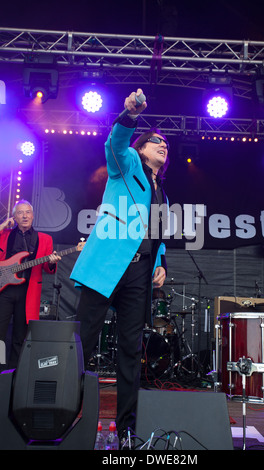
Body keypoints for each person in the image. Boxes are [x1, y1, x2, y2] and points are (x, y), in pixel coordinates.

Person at [70, 88, 169, 445]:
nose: (163, 145)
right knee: (83, 342)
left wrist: (160, 265)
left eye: (166, 144)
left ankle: (127, 427)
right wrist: (129, 115)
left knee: (130, 349)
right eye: (155, 141)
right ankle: (68, 412)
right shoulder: (125, 163)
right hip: (107, 265)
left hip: (140, 273)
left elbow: (156, 236)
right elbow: (115, 141)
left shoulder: (163, 193)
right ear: (141, 148)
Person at [0, 200, 61, 370]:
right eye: (20, 212)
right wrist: (3, 225)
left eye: (28, 212)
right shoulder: (4, 234)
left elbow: (48, 270)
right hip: (3, 291)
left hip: (27, 292)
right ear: (14, 217)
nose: (25, 215)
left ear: (33, 216)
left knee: (21, 336)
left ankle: (14, 374)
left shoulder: (44, 239)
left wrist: (51, 262)